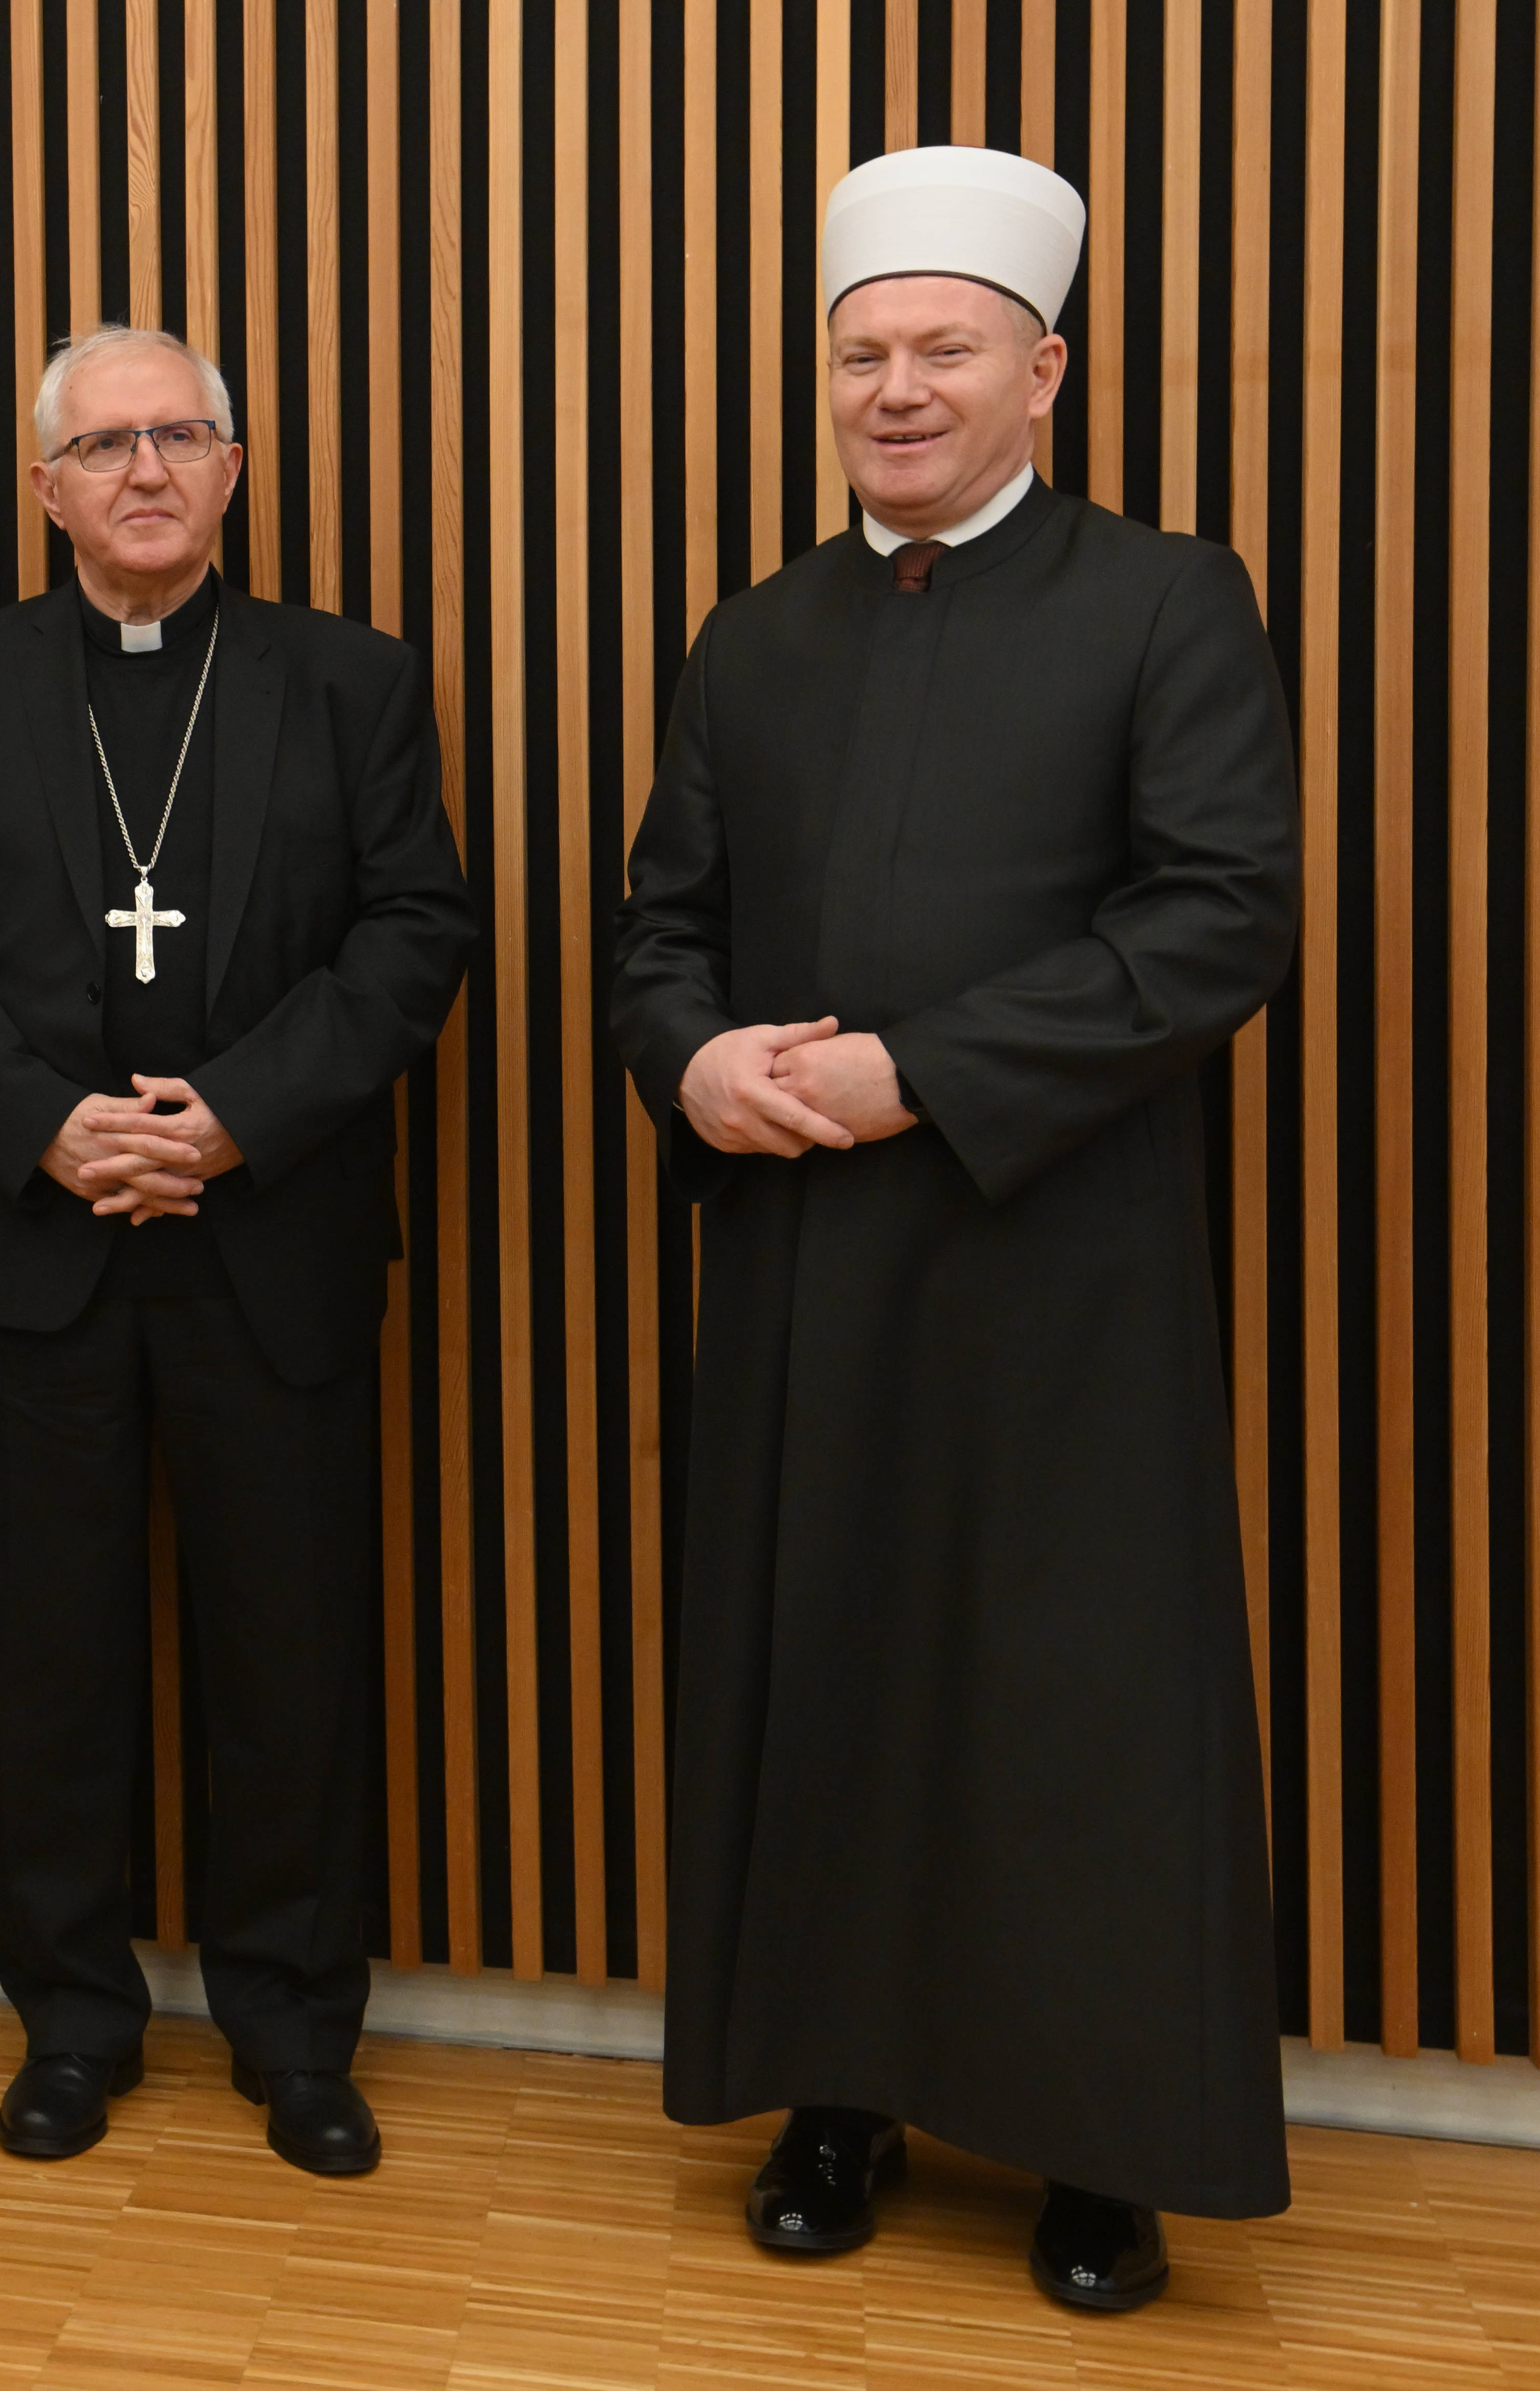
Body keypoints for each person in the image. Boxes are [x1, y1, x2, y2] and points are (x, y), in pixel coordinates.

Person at [609, 146, 1299, 2312]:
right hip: (811, 1267)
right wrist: (699, 1063)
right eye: (863, 358)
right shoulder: (756, 630)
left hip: (1056, 1264)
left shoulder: (1167, 597)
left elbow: (1216, 918)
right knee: (825, 1682)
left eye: (943, 353)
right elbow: (660, 929)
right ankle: (837, 2097)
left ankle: (1100, 2153)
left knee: (1065, 1711)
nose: (897, 391)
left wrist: (926, 1069)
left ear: (1046, 370)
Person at [0, 325, 474, 2175]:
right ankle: (70, 2020)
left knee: (287, 1654)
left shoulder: (346, 680)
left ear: (232, 465)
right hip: (37, 1236)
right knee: (47, 1656)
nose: (143, 470)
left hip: (260, 1234)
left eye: (178, 435)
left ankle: (293, 2030)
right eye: (103, 444)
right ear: (42, 488)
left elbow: (415, 928)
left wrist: (231, 1114)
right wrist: (53, 1123)